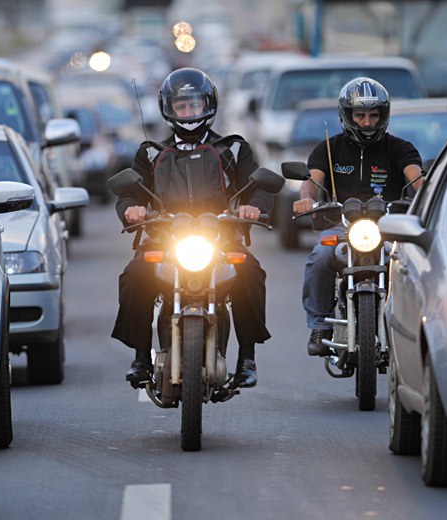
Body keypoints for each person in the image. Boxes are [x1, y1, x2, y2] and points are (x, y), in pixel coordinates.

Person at [111, 67, 273, 389]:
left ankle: (247, 357)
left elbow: (259, 187)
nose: (188, 112)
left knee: (251, 272)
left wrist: (256, 207)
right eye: (181, 106)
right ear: (169, 109)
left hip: (222, 238)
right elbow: (130, 191)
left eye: (194, 105)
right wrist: (132, 209)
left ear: (208, 105)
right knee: (134, 275)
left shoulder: (234, 148)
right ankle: (142, 356)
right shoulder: (151, 152)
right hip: (164, 237)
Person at [292, 77, 423, 356]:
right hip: (341, 225)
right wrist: (305, 199)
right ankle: (320, 324)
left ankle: (411, 327)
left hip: (388, 227)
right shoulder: (328, 148)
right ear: (347, 114)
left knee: (409, 266)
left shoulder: (400, 148)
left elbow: (417, 181)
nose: (366, 122)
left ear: (383, 116)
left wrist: (428, 197)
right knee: (320, 256)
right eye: (360, 115)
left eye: (374, 115)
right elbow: (312, 182)